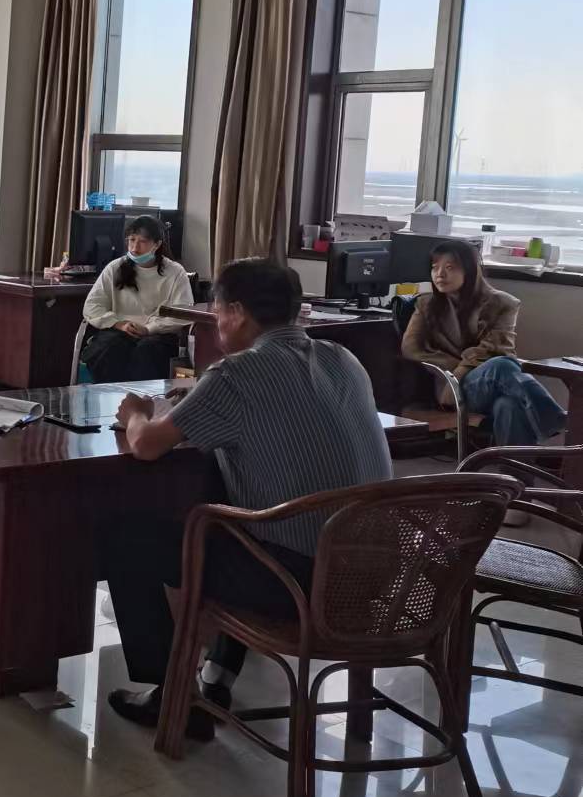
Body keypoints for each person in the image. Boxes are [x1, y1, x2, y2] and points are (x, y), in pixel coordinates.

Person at [100, 257, 392, 740]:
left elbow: (147, 445)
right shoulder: (344, 360)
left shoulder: (237, 373)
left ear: (236, 312)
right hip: (379, 578)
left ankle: (174, 695)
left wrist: (136, 413)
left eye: (217, 311)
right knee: (227, 513)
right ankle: (216, 676)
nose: (215, 322)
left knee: (127, 537)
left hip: (301, 585)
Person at [403, 238, 565, 446]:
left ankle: (513, 468)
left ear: (469, 271)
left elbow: (495, 348)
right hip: (451, 387)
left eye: (449, 268)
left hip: (493, 384)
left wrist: (466, 367)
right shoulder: (426, 305)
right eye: (435, 267)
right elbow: (411, 348)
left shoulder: (503, 303)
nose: (439, 274)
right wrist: (456, 369)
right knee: (502, 366)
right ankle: (555, 420)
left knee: (508, 405)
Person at [79, 214, 193, 382]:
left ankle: (142, 398)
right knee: (110, 349)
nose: (134, 247)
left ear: (157, 244)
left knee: (147, 351)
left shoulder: (175, 272)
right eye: (131, 240)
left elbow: (182, 313)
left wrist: (149, 329)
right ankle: (113, 397)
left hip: (158, 336)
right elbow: (92, 306)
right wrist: (118, 323)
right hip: (119, 331)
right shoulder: (115, 268)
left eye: (142, 241)